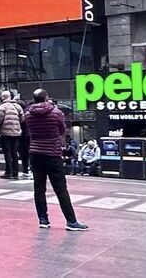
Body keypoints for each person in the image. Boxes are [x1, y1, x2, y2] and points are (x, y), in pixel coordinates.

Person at [25, 89, 88, 231]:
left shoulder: (28, 114)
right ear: (46, 98)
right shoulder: (56, 112)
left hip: (35, 153)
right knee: (61, 189)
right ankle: (71, 221)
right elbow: (62, 130)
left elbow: (30, 130)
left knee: (39, 188)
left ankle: (43, 220)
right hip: (52, 153)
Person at [0, 90, 24, 179]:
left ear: (3, 97)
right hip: (16, 133)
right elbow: (22, 119)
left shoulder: (2, 107)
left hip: (6, 132)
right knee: (14, 152)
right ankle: (15, 172)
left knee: (7, 153)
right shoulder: (17, 106)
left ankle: (9, 172)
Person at [18, 95, 32, 179]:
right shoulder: (29, 112)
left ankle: (26, 170)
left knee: (24, 154)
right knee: (28, 153)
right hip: (29, 134)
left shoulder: (23, 114)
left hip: (23, 135)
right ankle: (28, 170)